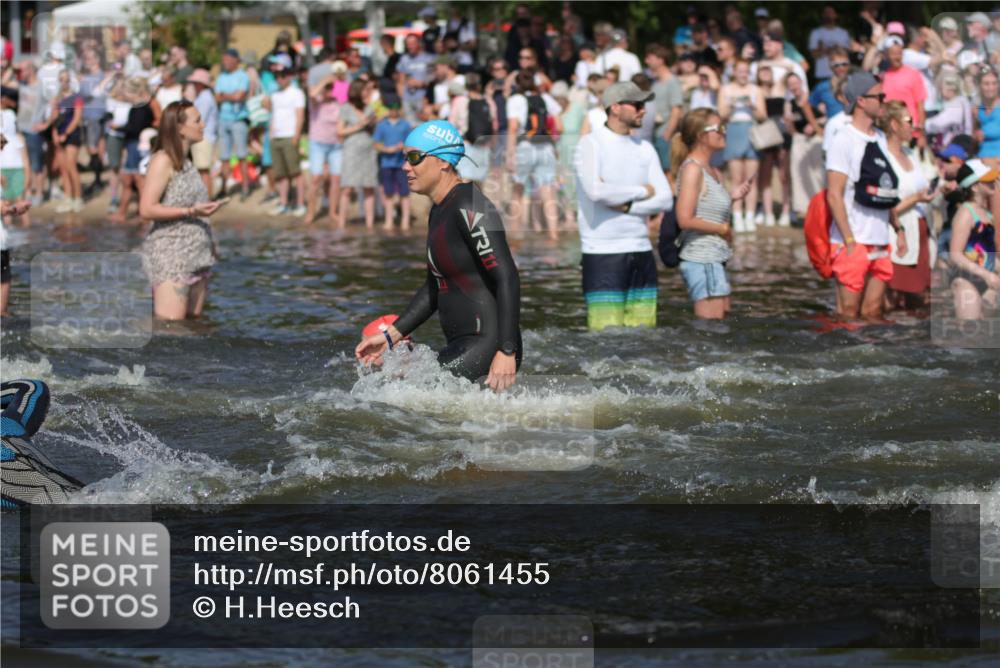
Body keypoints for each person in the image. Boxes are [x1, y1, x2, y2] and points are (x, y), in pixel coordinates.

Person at [354, 120, 521, 391]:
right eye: (405, 158)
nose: (406, 166)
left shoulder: (471, 204)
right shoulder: (440, 209)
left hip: (488, 344)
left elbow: (507, 276)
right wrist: (391, 336)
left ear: (444, 162)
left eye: (415, 158)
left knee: (407, 401)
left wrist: (507, 351)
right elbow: (435, 284)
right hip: (462, 344)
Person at [573, 81, 673, 331]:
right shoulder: (590, 144)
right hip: (602, 252)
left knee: (644, 337)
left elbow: (665, 199)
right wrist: (641, 192)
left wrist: (628, 206)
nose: (644, 110)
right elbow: (596, 192)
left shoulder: (645, 148)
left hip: (641, 249)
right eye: (638, 105)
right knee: (605, 336)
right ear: (615, 108)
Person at [825, 72, 908, 320]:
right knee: (848, 315)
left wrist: (898, 228)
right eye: (879, 96)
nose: (884, 101)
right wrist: (850, 241)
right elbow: (834, 195)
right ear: (861, 101)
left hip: (880, 239)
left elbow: (887, 190)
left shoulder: (881, 138)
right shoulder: (844, 139)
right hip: (854, 240)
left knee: (873, 314)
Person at [139, 100, 224, 320]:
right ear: (179, 128)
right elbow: (146, 209)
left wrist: (211, 243)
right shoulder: (162, 160)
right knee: (172, 332)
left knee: (195, 328)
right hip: (171, 258)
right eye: (197, 120)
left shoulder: (187, 162)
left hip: (198, 257)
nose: (203, 125)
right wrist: (190, 211)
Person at [671, 109, 753, 319]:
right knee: (710, 331)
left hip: (715, 258)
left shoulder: (713, 170)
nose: (724, 132)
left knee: (721, 322)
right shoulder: (692, 169)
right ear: (701, 136)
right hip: (701, 258)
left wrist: (731, 197)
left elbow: (705, 205)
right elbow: (684, 219)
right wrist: (722, 228)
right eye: (719, 129)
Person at [878, 101, 934, 310]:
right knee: (891, 298)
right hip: (896, 232)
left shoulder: (911, 154)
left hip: (920, 230)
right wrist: (915, 199)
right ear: (894, 125)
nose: (915, 126)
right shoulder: (884, 158)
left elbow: (922, 187)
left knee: (919, 299)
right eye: (909, 121)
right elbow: (884, 206)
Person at [505, 69, 562, 238]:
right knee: (548, 193)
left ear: (517, 85)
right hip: (546, 148)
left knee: (518, 191)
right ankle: (554, 234)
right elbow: (559, 127)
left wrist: (510, 154)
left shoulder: (515, 100)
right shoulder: (545, 98)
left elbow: (513, 127)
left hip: (525, 146)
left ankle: (516, 234)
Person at [948, 159, 999, 319]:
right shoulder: (966, 213)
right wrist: (986, 275)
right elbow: (955, 254)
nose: (994, 182)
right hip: (966, 281)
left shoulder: (987, 214)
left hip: (986, 279)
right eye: (988, 180)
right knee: (969, 336)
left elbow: (984, 252)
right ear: (975, 186)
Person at [719, 60, 765, 232]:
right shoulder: (726, 89)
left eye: (746, 71)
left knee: (751, 178)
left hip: (752, 131)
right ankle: (737, 215)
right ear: (734, 71)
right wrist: (731, 104)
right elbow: (721, 114)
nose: (743, 74)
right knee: (736, 178)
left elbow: (762, 116)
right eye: (740, 71)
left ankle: (750, 215)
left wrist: (752, 106)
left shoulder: (756, 90)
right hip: (733, 130)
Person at [112, 77, 159, 223]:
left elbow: (137, 127)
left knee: (138, 180)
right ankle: (124, 212)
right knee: (129, 180)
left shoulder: (144, 105)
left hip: (138, 145)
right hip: (134, 144)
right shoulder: (139, 105)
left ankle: (142, 213)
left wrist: (119, 127)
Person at [337, 79, 378, 228]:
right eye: (365, 90)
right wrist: (359, 125)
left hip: (368, 149)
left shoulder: (370, 109)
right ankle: (341, 223)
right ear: (357, 91)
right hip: (351, 150)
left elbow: (373, 131)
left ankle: (369, 224)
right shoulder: (346, 108)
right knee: (347, 187)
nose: (367, 93)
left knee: (369, 186)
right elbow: (340, 131)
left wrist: (372, 123)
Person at [305, 69, 343, 225]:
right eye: (327, 89)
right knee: (315, 179)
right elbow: (312, 94)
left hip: (336, 145)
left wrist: (337, 82)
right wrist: (325, 81)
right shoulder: (316, 103)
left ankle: (333, 212)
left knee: (336, 179)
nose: (329, 91)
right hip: (318, 143)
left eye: (331, 88)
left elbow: (344, 93)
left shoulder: (339, 103)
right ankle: (311, 212)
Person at [268, 66, 306, 217]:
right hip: (276, 136)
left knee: (296, 172)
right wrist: (271, 133)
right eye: (276, 76)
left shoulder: (297, 93)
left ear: (288, 77)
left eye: (282, 76)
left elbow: (300, 115)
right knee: (281, 174)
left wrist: (296, 135)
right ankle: (284, 203)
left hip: (290, 135)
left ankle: (300, 203)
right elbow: (274, 114)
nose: (279, 79)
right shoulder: (275, 95)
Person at [215, 49, 251, 201]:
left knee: (242, 155)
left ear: (236, 60)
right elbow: (217, 97)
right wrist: (231, 96)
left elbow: (240, 96)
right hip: (223, 119)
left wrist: (225, 96)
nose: (226, 62)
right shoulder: (221, 77)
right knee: (224, 156)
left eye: (229, 59)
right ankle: (224, 188)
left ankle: (245, 187)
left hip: (238, 119)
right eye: (224, 59)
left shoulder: (243, 76)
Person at [372, 95, 412, 229]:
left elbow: (411, 143)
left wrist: (403, 147)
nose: (394, 111)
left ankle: (405, 220)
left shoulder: (405, 125)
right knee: (388, 193)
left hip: (401, 164)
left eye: (396, 109)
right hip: (386, 163)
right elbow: (376, 144)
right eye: (391, 109)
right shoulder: (382, 125)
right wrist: (387, 149)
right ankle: (388, 220)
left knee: (404, 193)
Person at [47, 69, 84, 213]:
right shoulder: (58, 99)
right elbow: (54, 119)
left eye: (66, 80)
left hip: (72, 135)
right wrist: (55, 134)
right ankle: (68, 197)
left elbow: (77, 118)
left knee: (71, 165)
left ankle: (78, 197)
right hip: (60, 134)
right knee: (63, 168)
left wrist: (66, 133)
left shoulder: (76, 97)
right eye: (61, 80)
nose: (64, 83)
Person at [645, 44, 683, 175]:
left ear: (661, 60)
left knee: (669, 173)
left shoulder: (672, 81)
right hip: (654, 134)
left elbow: (677, 110)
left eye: (650, 58)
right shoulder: (655, 83)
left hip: (665, 135)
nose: (647, 61)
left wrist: (667, 134)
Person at [78, 48, 108, 198]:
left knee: (94, 149)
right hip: (91, 116)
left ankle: (97, 181)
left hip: (95, 117)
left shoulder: (99, 77)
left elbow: (88, 94)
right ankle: (98, 180)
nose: (87, 62)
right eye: (86, 59)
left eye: (90, 59)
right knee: (95, 149)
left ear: (97, 60)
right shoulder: (89, 77)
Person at [187, 69, 217, 198]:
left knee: (203, 170)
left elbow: (199, 119)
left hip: (203, 138)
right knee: (202, 170)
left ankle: (206, 199)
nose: (193, 85)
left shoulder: (205, 98)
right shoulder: (204, 97)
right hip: (203, 138)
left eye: (194, 82)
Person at [809, 5, 852, 82]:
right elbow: (814, 54)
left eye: (831, 12)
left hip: (841, 73)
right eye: (826, 12)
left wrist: (824, 49)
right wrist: (835, 49)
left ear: (836, 15)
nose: (828, 15)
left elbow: (847, 52)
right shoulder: (816, 33)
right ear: (822, 15)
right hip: (823, 75)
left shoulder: (843, 33)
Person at [974, 68, 1000, 165]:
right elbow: (974, 144)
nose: (991, 88)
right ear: (979, 86)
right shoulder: (977, 111)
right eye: (986, 84)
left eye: (994, 83)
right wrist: (976, 137)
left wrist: (996, 161)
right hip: (981, 160)